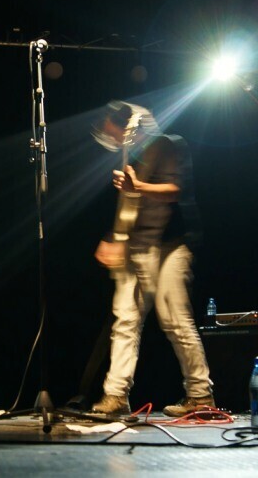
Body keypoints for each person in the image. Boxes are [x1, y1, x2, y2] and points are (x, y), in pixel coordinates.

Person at [89, 100, 215, 418]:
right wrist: (114, 238)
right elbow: (130, 208)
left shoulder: (168, 144)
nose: (114, 140)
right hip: (138, 247)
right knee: (125, 321)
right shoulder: (132, 155)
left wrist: (139, 186)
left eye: (115, 133)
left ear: (128, 126)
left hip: (171, 245)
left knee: (174, 319)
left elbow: (175, 190)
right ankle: (116, 396)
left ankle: (201, 395)